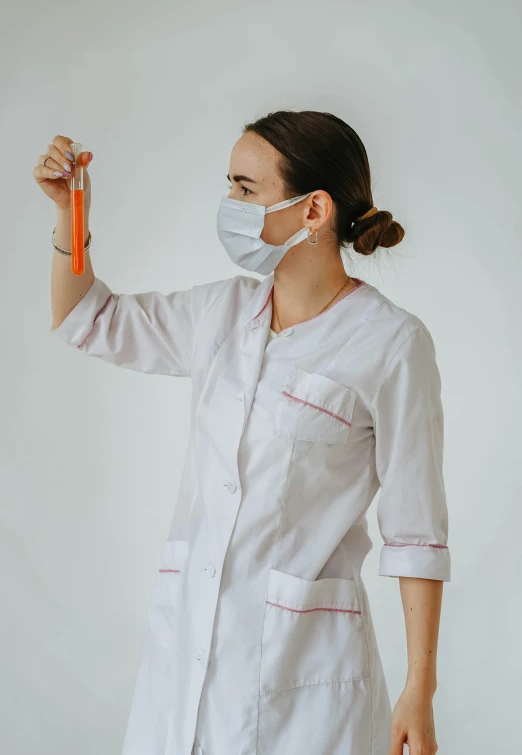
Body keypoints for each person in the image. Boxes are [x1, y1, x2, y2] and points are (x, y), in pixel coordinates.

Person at [35, 109, 451, 755]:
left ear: (314, 211)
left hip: (306, 676)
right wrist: (70, 211)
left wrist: (418, 688)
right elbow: (86, 318)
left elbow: (416, 529)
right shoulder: (219, 312)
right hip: (184, 658)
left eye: (244, 187)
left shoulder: (391, 343)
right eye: (229, 184)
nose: (228, 203)